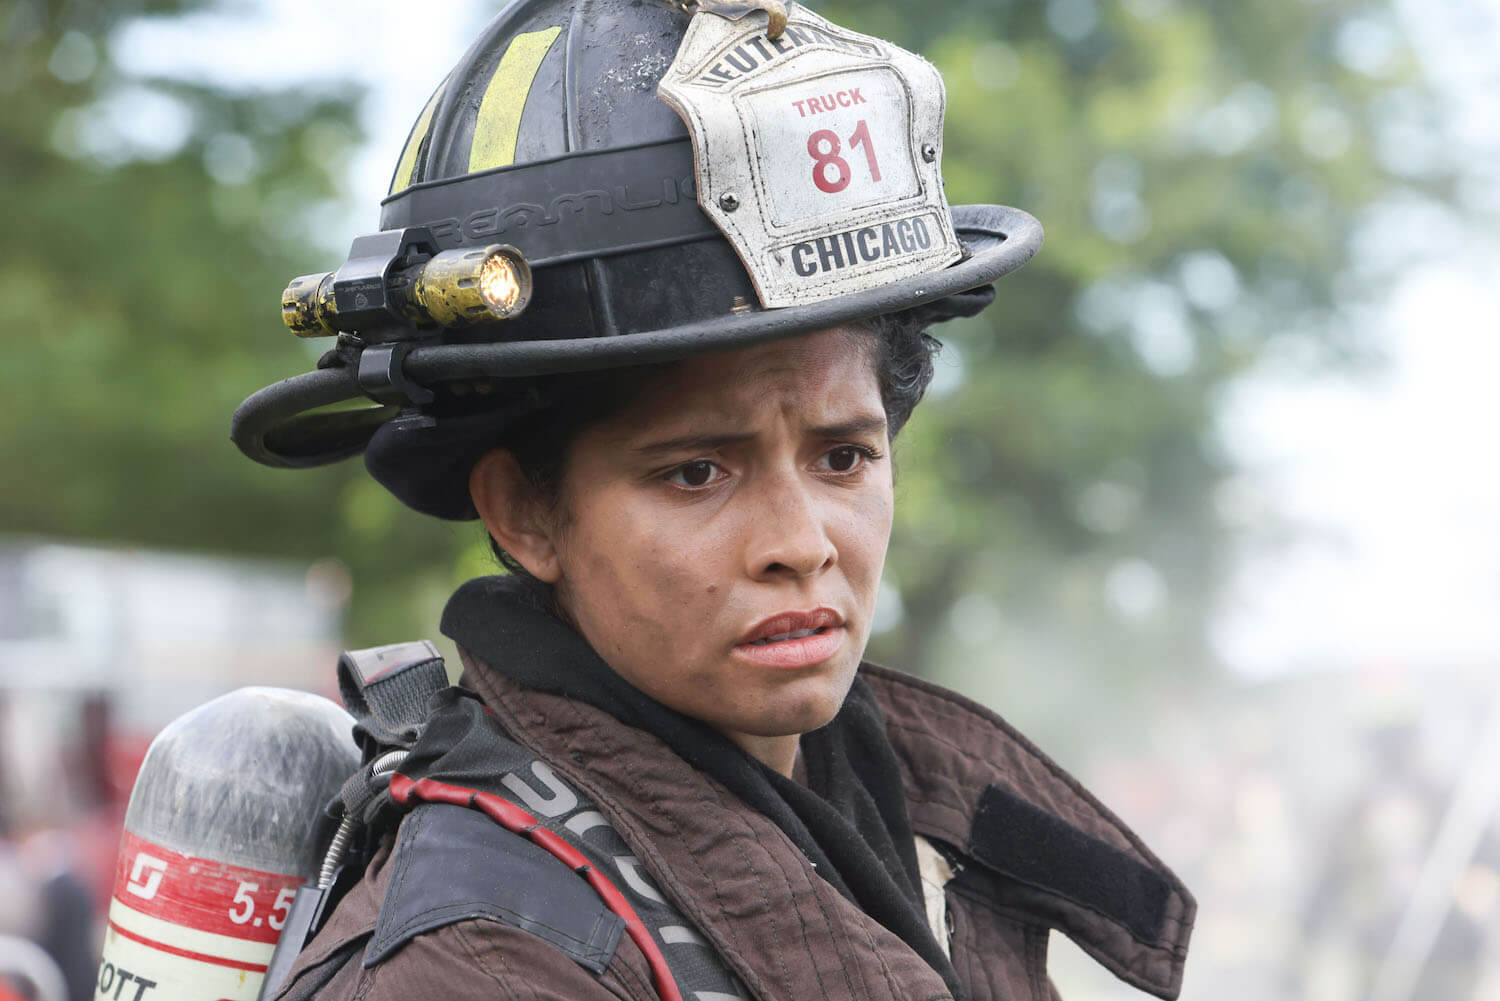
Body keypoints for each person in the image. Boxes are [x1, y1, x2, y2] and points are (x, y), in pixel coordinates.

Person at [234, 1, 1195, 999]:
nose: (800, 543)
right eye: (697, 470)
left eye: (844, 456)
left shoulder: (874, 826)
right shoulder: (481, 965)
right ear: (525, 512)